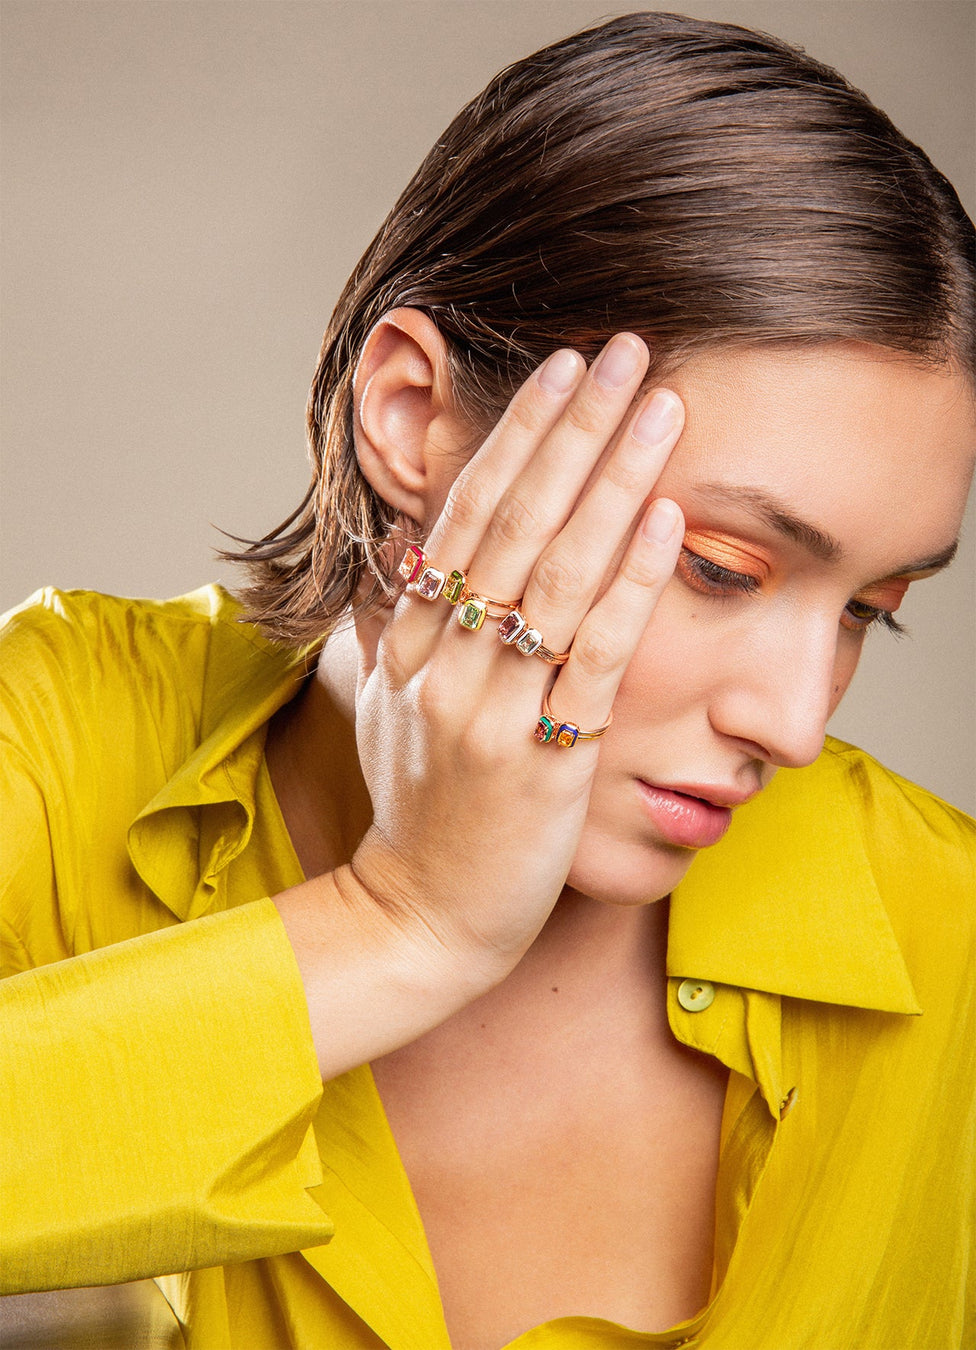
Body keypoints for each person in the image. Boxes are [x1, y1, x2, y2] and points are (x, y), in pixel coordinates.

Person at [2, 11, 974, 1350]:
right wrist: (402, 923)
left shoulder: (949, 934)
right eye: (724, 568)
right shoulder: (57, 736)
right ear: (412, 416)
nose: (798, 721)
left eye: (878, 610)